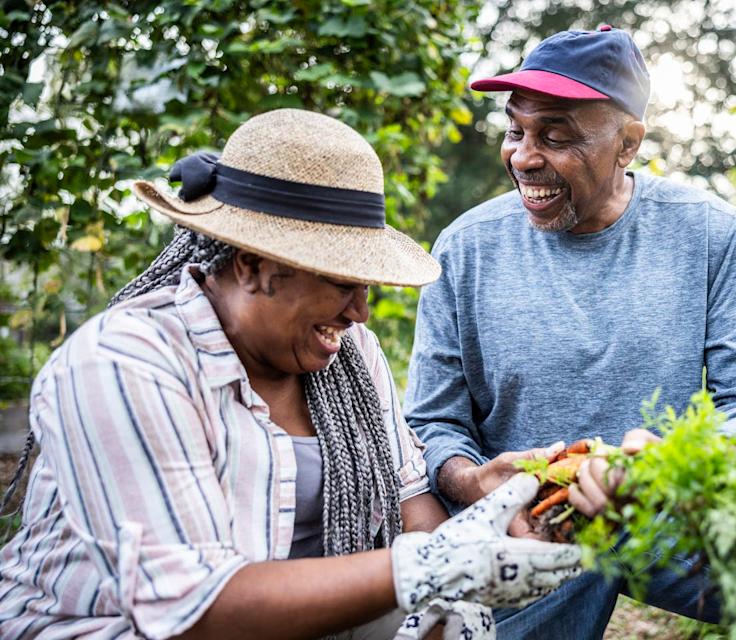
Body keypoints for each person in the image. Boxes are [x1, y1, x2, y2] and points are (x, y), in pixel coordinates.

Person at [0, 109, 581, 640]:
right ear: (253, 264)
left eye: (366, 285)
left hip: (288, 621)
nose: (359, 311)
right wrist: (430, 567)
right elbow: (192, 614)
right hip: (108, 627)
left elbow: (412, 510)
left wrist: (483, 530)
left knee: (449, 618)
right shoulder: (126, 365)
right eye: (339, 281)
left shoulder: (351, 357)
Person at [404, 27, 736, 638]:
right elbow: (433, 425)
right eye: (516, 130)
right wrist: (478, 481)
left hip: (675, 514)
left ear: (628, 145)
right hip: (527, 528)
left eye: (556, 136)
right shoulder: (465, 247)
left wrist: (671, 473)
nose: (524, 157)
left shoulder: (709, 234)